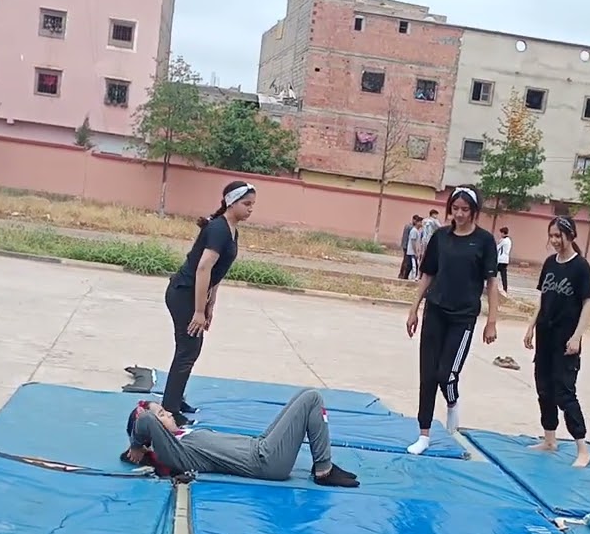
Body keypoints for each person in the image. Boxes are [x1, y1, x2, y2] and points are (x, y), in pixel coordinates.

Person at [405, 185, 499, 454]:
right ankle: (424, 434)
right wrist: (414, 309)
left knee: (446, 374)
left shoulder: (484, 241)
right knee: (427, 374)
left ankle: (452, 403)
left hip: (463, 316)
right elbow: (427, 275)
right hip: (435, 310)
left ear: (474, 211)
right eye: (455, 209)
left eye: (464, 209)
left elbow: (491, 283)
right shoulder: (441, 237)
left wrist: (491, 320)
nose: (459, 214)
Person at [123, 388, 360, 487]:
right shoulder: (174, 451)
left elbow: (148, 420)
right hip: (266, 461)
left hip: (260, 447)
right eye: (162, 414)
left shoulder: (183, 436)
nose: (169, 414)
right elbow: (144, 419)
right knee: (312, 398)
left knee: (304, 396)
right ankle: (324, 470)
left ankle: (323, 465)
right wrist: (136, 446)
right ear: (153, 435)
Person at [160, 181, 255, 427]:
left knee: (191, 348)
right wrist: (199, 311)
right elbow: (203, 268)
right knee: (188, 349)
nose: (250, 209)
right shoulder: (218, 230)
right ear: (230, 202)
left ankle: (175, 398)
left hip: (196, 294)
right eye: (246, 204)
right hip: (184, 293)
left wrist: (211, 303)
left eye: (252, 205)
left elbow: (216, 273)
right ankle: (169, 409)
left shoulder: (231, 230)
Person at [523, 216, 590, 468]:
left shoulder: (581, 268)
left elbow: (588, 304)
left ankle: (582, 447)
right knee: (544, 388)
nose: (554, 241)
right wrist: (532, 325)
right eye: (551, 236)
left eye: (558, 236)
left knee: (564, 392)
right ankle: (549, 439)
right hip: (545, 335)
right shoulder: (549, 264)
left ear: (570, 235)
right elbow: (542, 298)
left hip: (566, 340)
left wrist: (577, 336)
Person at [398, 215, 422, 280]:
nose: (422, 224)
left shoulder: (415, 229)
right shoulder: (411, 228)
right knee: (409, 263)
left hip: (408, 247)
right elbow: (412, 241)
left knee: (409, 263)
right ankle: (405, 275)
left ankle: (404, 275)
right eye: (420, 222)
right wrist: (415, 251)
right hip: (409, 248)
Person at [496, 227, 512, 294]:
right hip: (506, 260)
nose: (500, 234)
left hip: (501, 260)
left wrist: (499, 241)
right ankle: (505, 288)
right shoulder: (509, 240)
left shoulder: (504, 240)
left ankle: (490, 285)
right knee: (503, 275)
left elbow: (497, 248)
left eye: (501, 233)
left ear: (503, 233)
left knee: (493, 272)